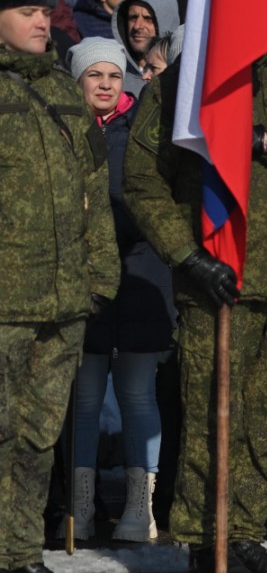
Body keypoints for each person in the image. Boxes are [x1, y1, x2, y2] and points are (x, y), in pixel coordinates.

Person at [124, 16, 267, 573]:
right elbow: (143, 180)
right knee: (210, 417)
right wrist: (187, 257)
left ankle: (244, 534)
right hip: (214, 280)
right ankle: (203, 540)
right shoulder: (179, 88)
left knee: (264, 422)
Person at [0, 0, 118, 573]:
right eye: (26, 12)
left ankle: (19, 557)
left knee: (38, 436)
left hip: (60, 297)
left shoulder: (62, 93)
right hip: (5, 299)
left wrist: (100, 271)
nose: (41, 21)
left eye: (46, 12)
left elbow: (91, 193)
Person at [66, 38, 175, 544]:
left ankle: (139, 509)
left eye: (114, 75)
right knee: (84, 399)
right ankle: (80, 509)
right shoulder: (64, 129)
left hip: (139, 277)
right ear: (78, 82)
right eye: (95, 76)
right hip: (83, 279)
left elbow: (149, 198)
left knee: (136, 395)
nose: (106, 84)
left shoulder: (141, 133)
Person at [115, 0, 180, 98]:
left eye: (148, 18)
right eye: (133, 17)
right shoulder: (113, 73)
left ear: (166, 22)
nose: (137, 26)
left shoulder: (181, 80)